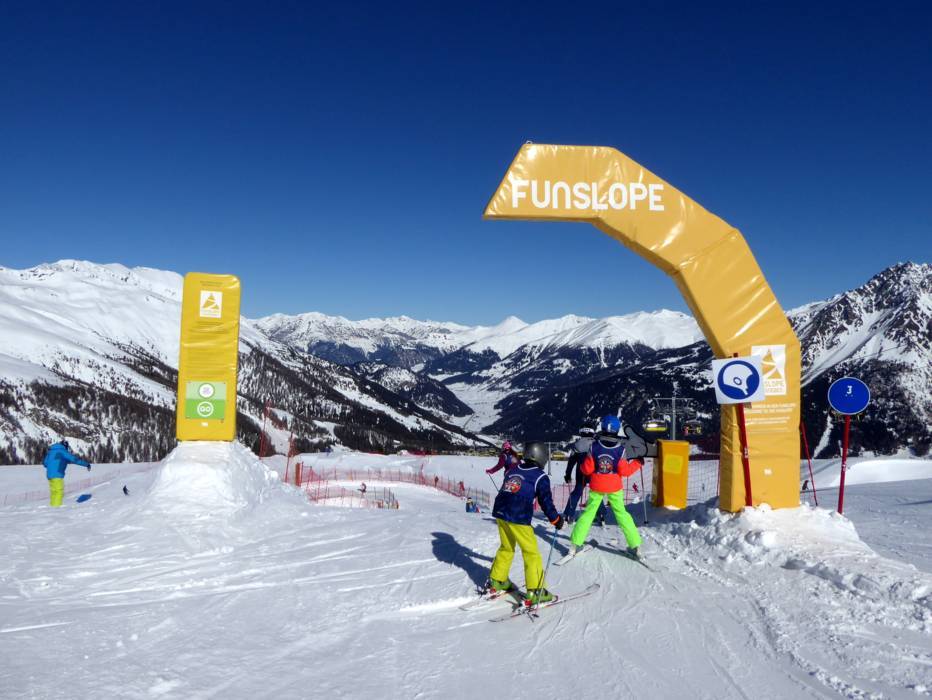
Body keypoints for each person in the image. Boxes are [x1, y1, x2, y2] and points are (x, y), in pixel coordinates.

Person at [487, 442, 564, 605]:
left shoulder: (513, 469)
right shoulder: (540, 477)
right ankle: (536, 591)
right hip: (519, 516)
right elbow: (545, 501)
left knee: (506, 547)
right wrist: (556, 519)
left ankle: (497, 580)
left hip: (501, 512)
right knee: (531, 552)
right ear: (540, 457)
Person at [567, 416, 643, 557]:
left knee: (588, 513)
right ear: (617, 430)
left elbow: (587, 470)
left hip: (597, 485)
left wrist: (583, 465)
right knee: (622, 514)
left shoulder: (594, 446)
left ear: (602, 427)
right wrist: (638, 463)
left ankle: (576, 544)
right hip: (614, 486)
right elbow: (625, 471)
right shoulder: (621, 450)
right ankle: (635, 546)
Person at [562, 426, 606, 525]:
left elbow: (571, 462)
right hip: (594, 473)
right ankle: (601, 515)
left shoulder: (577, 444)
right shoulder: (596, 444)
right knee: (596, 494)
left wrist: (568, 474)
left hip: (581, 472)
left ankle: (568, 515)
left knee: (576, 493)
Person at [42, 439, 91, 507]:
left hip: (49, 475)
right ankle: (56, 509)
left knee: (54, 492)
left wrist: (58, 462)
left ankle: (52, 507)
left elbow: (45, 463)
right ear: (65, 446)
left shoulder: (51, 452)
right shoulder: (63, 451)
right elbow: (74, 459)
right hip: (57, 474)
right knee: (59, 492)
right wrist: (86, 464)